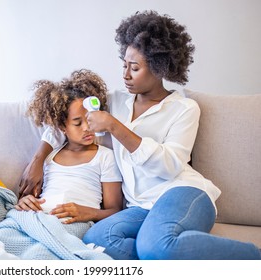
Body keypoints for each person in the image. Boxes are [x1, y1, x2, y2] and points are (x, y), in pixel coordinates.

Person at [19, 10, 261, 259]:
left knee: (154, 246)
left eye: (134, 68)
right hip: (139, 206)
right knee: (96, 240)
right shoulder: (115, 101)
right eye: (124, 65)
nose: (125, 74)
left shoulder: (184, 108)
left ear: (159, 67)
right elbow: (65, 119)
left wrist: (115, 127)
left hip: (182, 193)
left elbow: (169, 166)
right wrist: (38, 161)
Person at [16, 69, 123, 239]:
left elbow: (115, 211)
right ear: (62, 127)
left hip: (73, 223)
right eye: (77, 123)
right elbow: (33, 197)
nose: (87, 128)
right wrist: (24, 202)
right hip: (39, 218)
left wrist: (88, 213)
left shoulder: (105, 157)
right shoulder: (50, 157)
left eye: (90, 119)